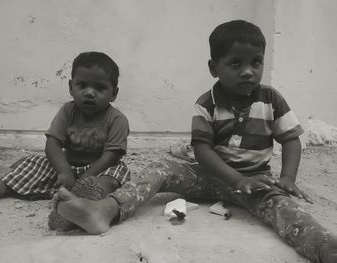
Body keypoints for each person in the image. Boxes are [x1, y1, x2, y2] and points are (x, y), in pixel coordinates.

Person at [52, 21, 337, 262]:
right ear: (214, 68)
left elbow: (291, 141)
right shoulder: (207, 104)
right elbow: (201, 150)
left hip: (254, 182)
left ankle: (322, 245)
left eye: (256, 62)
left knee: (282, 206)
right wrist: (233, 179)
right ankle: (104, 210)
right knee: (159, 169)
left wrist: (287, 177)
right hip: (208, 176)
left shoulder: (272, 99)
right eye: (235, 63)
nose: (248, 71)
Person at [0, 51, 131, 230]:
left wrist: (85, 178)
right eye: (82, 85)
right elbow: (52, 144)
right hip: (66, 166)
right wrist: (64, 172)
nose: (89, 93)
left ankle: (80, 205)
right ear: (71, 87)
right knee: (29, 167)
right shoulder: (67, 111)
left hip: (99, 169)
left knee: (115, 176)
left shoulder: (117, 119)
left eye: (99, 88)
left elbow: (110, 156)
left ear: (114, 93)